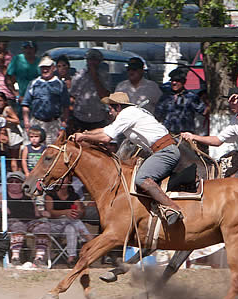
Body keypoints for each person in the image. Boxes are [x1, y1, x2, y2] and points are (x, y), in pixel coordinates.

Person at [73, 92, 183, 224]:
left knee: (141, 178)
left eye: (110, 108)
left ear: (118, 107)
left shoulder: (126, 114)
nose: (109, 112)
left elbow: (106, 138)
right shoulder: (130, 114)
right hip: (163, 150)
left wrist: (84, 137)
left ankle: (171, 208)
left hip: (165, 152)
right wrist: (85, 134)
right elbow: (105, 130)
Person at [2, 171, 51, 268]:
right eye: (11, 181)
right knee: (18, 227)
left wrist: (43, 213)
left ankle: (39, 258)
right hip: (13, 220)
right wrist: (1, 208)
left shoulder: (28, 197)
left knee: (43, 227)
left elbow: (36, 213)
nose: (14, 183)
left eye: (17, 181)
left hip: (30, 221)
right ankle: (15, 258)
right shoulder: (3, 196)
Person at [45, 175, 93, 265]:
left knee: (71, 227)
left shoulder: (73, 195)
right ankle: (89, 239)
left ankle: (71, 258)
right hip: (54, 225)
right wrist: (65, 212)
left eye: (64, 178)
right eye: (59, 179)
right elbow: (50, 212)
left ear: (69, 181)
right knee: (72, 220)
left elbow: (81, 210)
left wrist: (78, 213)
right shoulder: (50, 195)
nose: (62, 181)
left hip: (68, 225)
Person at [22, 56, 70, 144]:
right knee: (34, 150)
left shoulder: (60, 84)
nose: (45, 70)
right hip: (36, 122)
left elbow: (66, 106)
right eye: (42, 68)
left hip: (54, 124)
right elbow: (26, 104)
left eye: (47, 67)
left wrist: (63, 125)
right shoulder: (34, 83)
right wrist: (26, 122)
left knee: (52, 150)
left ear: (53, 68)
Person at [154, 68, 207, 134]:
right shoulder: (165, 97)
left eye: (177, 81)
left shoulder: (191, 97)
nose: (174, 83)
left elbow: (204, 111)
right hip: (167, 135)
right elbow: (157, 116)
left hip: (185, 135)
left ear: (184, 81)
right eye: (172, 80)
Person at [69, 49, 111, 131]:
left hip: (98, 119)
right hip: (79, 118)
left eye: (95, 60)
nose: (92, 62)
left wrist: (95, 76)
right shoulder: (79, 75)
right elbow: (72, 96)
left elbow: (105, 96)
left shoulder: (105, 76)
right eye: (90, 59)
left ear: (99, 61)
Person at [6, 41, 39, 106]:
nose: (28, 50)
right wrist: (17, 95)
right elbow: (8, 78)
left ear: (35, 50)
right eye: (26, 48)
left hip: (36, 97)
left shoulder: (39, 61)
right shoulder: (17, 59)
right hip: (21, 97)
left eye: (31, 48)